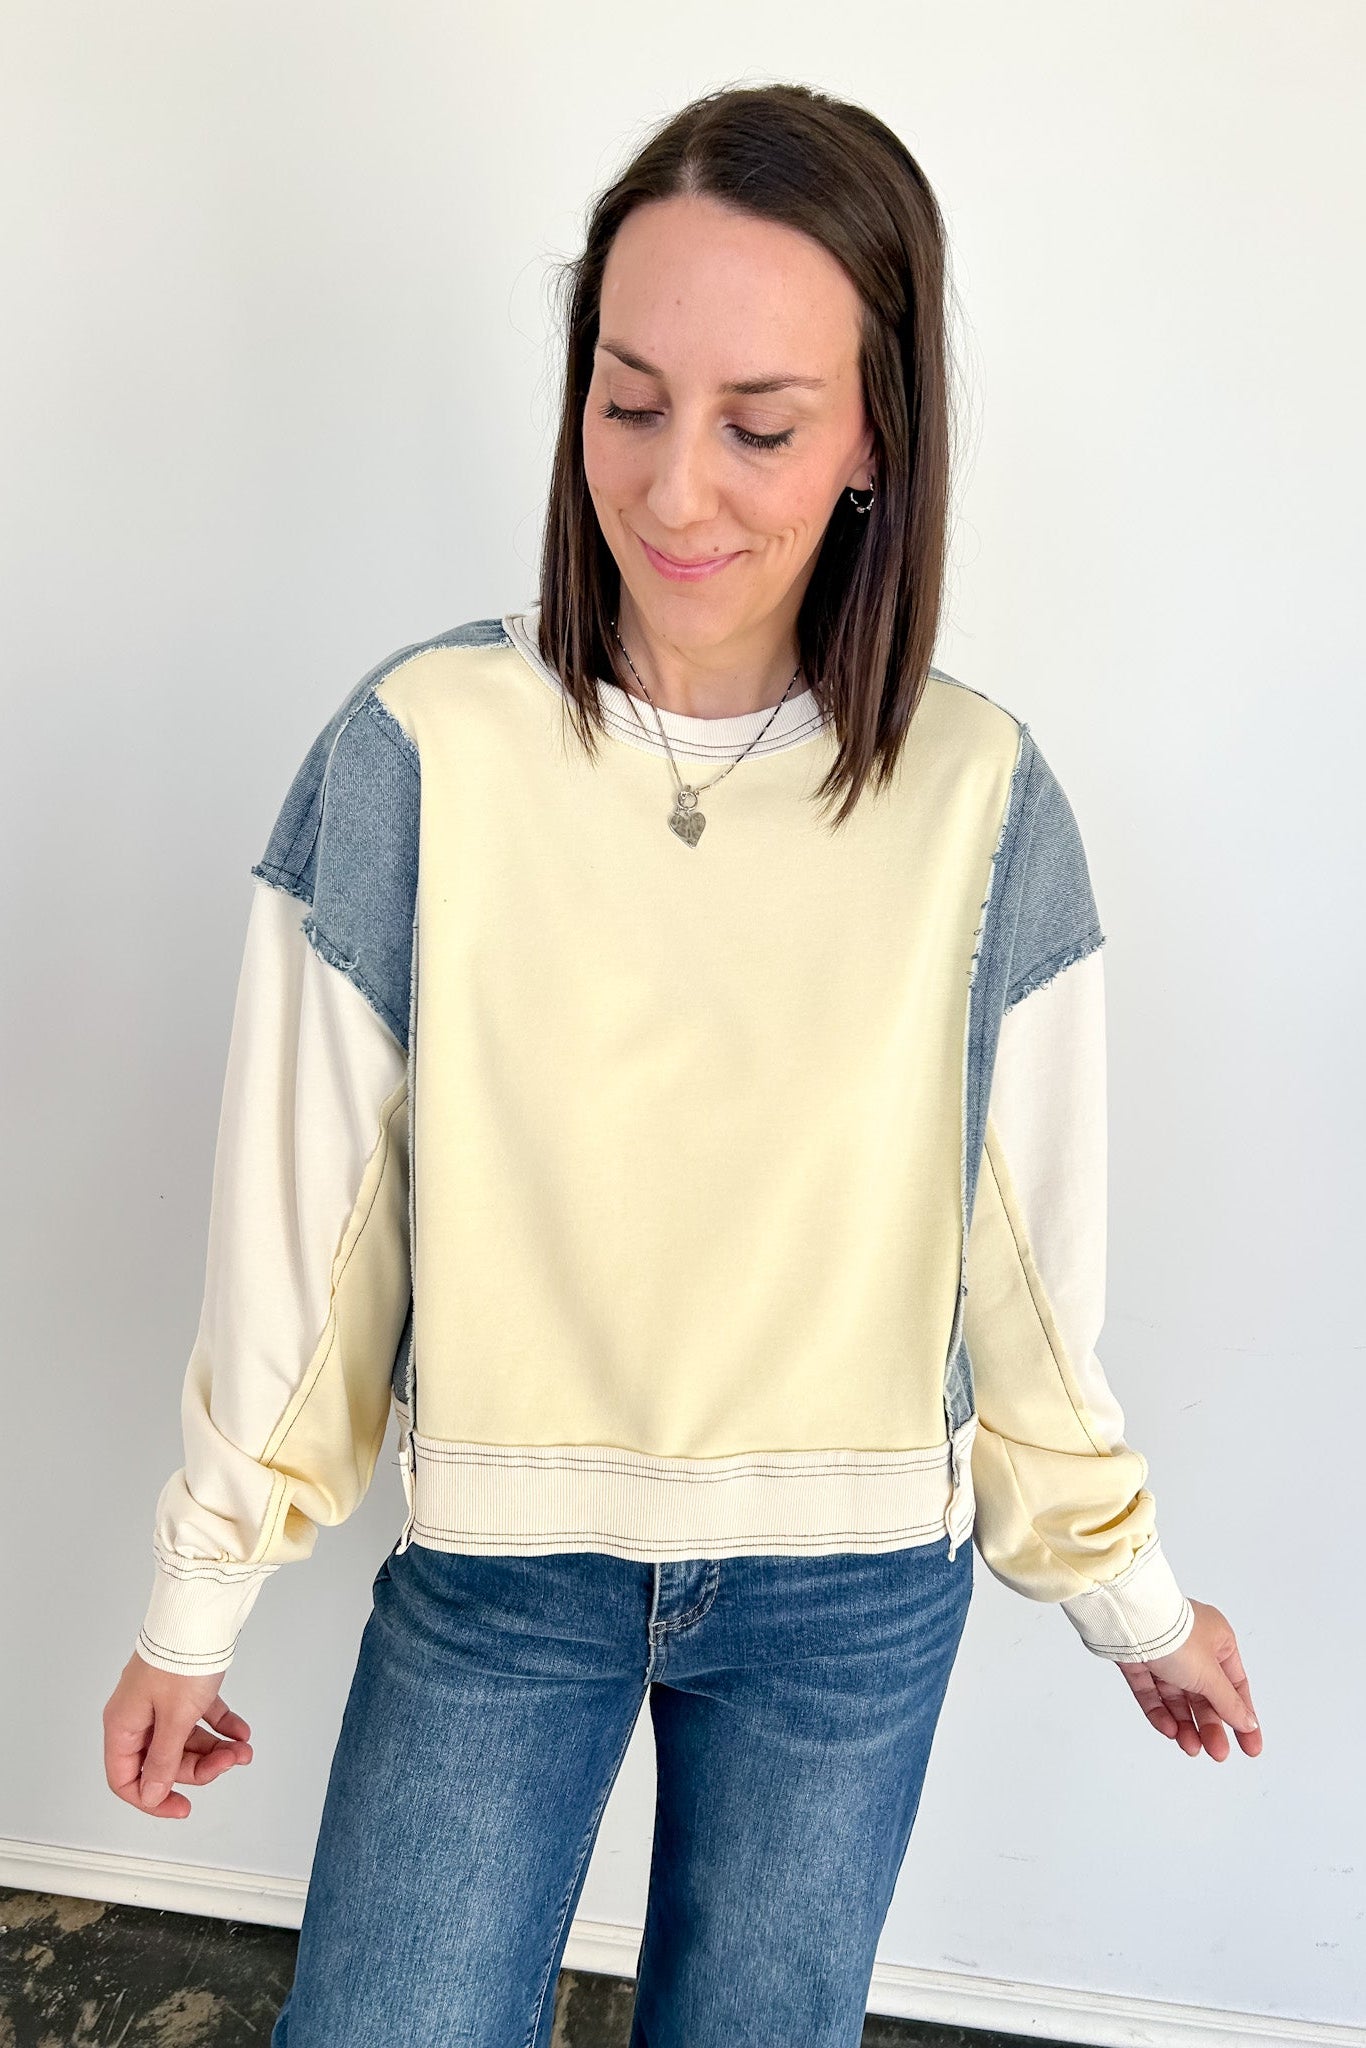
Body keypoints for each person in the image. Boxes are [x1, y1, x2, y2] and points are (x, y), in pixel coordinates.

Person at [102, 80, 1261, 2048]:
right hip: (504, 1570)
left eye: (759, 421)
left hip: (850, 1594)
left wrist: (1130, 1600)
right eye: (627, 400)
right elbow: (310, 1252)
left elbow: (1018, 1282)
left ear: (875, 432)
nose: (673, 489)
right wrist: (193, 1601)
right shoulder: (420, 751)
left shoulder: (978, 800)